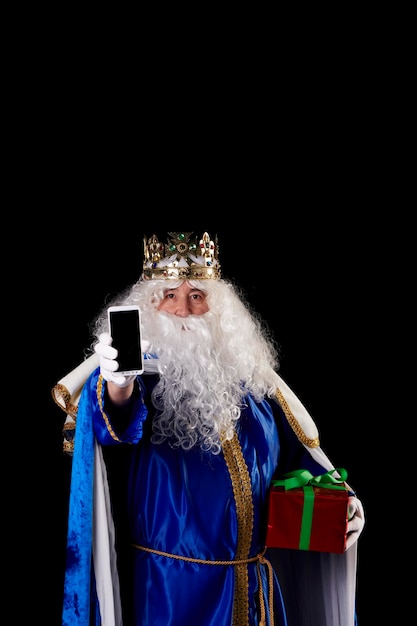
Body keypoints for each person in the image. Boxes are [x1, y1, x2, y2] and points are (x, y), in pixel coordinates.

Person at [53, 231, 365, 626]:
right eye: (169, 295)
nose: (183, 309)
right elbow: (111, 428)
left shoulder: (255, 387)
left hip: (254, 591)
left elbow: (299, 459)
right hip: (169, 595)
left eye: (197, 296)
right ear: (148, 307)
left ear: (219, 308)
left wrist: (344, 503)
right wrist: (118, 384)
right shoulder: (137, 383)